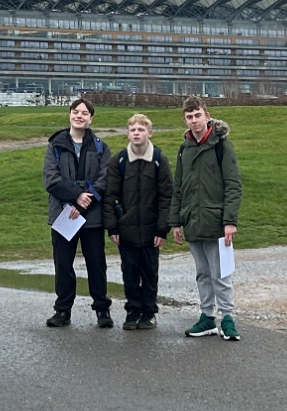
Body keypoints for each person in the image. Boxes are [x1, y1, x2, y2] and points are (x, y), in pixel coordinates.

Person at [170, 97, 243, 340]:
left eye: (197, 115)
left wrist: (229, 221)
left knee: (221, 273)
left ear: (206, 115)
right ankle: (207, 317)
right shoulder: (184, 149)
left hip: (216, 222)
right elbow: (178, 187)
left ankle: (228, 318)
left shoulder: (222, 146)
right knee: (202, 273)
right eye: (189, 117)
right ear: (185, 120)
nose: (194, 121)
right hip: (192, 220)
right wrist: (175, 221)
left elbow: (233, 185)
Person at [43, 96, 113, 329]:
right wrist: (74, 197)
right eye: (76, 111)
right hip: (62, 214)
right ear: (70, 114)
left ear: (90, 118)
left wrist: (83, 203)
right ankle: (62, 311)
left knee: (96, 264)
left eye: (84, 113)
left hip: (91, 216)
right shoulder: (55, 145)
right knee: (63, 264)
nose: (79, 116)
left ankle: (102, 310)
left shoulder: (101, 147)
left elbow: (105, 180)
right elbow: (51, 180)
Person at [103, 111, 171, 331]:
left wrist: (162, 229)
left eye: (141, 129)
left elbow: (166, 197)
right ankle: (132, 311)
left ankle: (149, 313)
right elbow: (110, 196)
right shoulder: (119, 161)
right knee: (130, 272)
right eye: (133, 130)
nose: (136, 133)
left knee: (150, 272)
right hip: (126, 230)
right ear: (127, 134)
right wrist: (112, 225)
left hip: (152, 230)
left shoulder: (159, 160)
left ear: (149, 133)